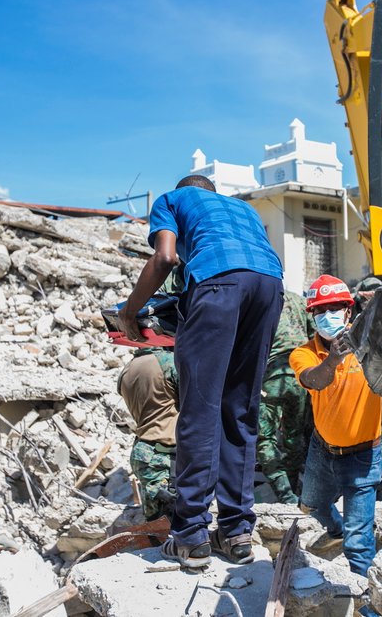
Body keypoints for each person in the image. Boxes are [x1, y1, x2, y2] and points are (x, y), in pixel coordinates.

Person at [119, 174, 284, 569]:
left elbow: (165, 259)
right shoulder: (243, 209)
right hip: (269, 286)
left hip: (218, 285)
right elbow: (243, 271)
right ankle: (237, 531)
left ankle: (191, 535)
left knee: (200, 410)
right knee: (239, 411)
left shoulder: (172, 199)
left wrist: (129, 311)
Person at [290, 275, 382, 577]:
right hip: (323, 450)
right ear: (313, 316)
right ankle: (335, 530)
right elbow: (314, 380)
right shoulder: (303, 353)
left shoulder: (372, 346)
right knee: (311, 505)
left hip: (363, 456)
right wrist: (332, 360)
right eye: (321, 311)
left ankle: (368, 601)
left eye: (335, 309)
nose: (328, 316)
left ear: (348, 312)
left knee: (358, 544)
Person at [257, 290, 314, 504]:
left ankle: (284, 493)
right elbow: (315, 335)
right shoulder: (300, 301)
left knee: (264, 438)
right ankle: (291, 486)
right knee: (294, 436)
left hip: (271, 376)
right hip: (301, 374)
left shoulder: (259, 299)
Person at [117, 348, 179, 522]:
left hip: (143, 450)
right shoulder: (168, 361)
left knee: (155, 519)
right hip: (164, 452)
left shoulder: (127, 368)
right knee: (170, 519)